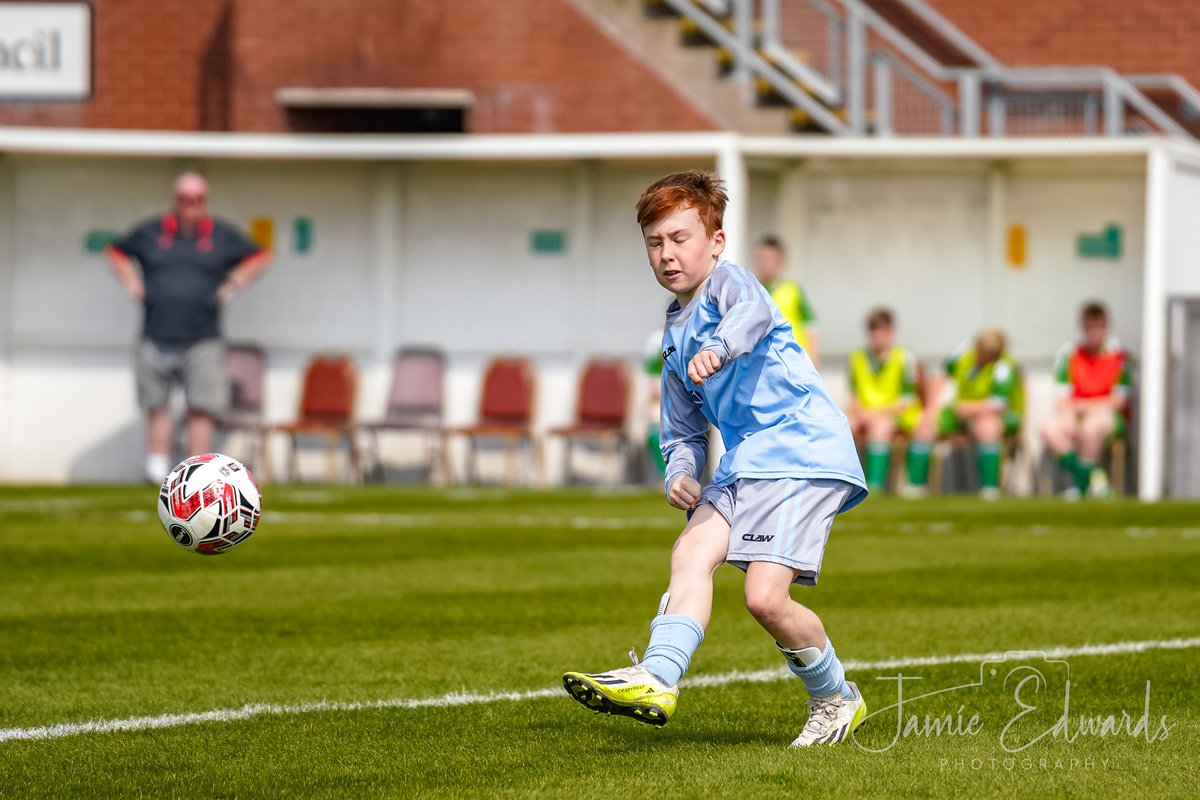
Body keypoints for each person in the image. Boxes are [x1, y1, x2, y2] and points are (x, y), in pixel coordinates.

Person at [562, 171, 868, 748]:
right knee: (690, 550)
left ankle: (836, 699)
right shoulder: (674, 336)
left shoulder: (732, 284)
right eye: (655, 243)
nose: (667, 254)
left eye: (680, 238)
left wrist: (720, 348)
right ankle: (657, 677)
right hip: (748, 460)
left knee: (764, 597)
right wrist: (679, 471)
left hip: (801, 448)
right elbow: (680, 429)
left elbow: (750, 318)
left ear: (716, 242)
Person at [105, 172, 271, 483]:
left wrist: (234, 283)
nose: (190, 205)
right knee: (157, 406)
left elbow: (262, 255)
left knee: (201, 408)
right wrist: (131, 282)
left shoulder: (221, 235)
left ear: (204, 202)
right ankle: (155, 473)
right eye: (184, 199)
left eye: (197, 200)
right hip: (155, 335)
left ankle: (198, 474)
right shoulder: (152, 232)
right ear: (175, 200)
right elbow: (115, 251)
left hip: (203, 338)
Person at [909, 328, 1021, 500]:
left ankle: (990, 488)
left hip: (994, 414)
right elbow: (941, 376)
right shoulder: (962, 353)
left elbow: (997, 404)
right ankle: (915, 486)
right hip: (960, 411)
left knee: (988, 427)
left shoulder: (1005, 365)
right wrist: (931, 410)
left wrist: (968, 408)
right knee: (925, 426)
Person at [1040, 302, 1131, 499]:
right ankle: (1095, 479)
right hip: (1075, 411)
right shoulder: (1070, 354)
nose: (1095, 333)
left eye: (1099, 328)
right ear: (1083, 328)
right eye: (1090, 328)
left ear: (1106, 327)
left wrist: (1087, 407)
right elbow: (1062, 396)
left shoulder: (1117, 355)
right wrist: (1070, 413)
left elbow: (1118, 401)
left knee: (1091, 427)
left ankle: (1081, 487)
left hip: (1106, 416)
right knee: (1049, 428)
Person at [846, 307, 931, 492]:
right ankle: (845, 482)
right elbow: (853, 393)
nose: (876, 337)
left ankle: (884, 485)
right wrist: (859, 413)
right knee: (844, 426)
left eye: (881, 332)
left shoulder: (905, 357)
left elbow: (908, 399)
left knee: (884, 426)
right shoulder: (857, 357)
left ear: (891, 333)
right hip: (866, 412)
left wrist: (875, 413)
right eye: (872, 333)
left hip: (897, 413)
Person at [754, 235, 821, 367]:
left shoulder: (793, 291)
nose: (765, 263)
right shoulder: (751, 291)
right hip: (762, 365)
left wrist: (813, 365)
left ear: (781, 262)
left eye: (769, 259)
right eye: (761, 258)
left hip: (793, 364)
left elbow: (811, 328)